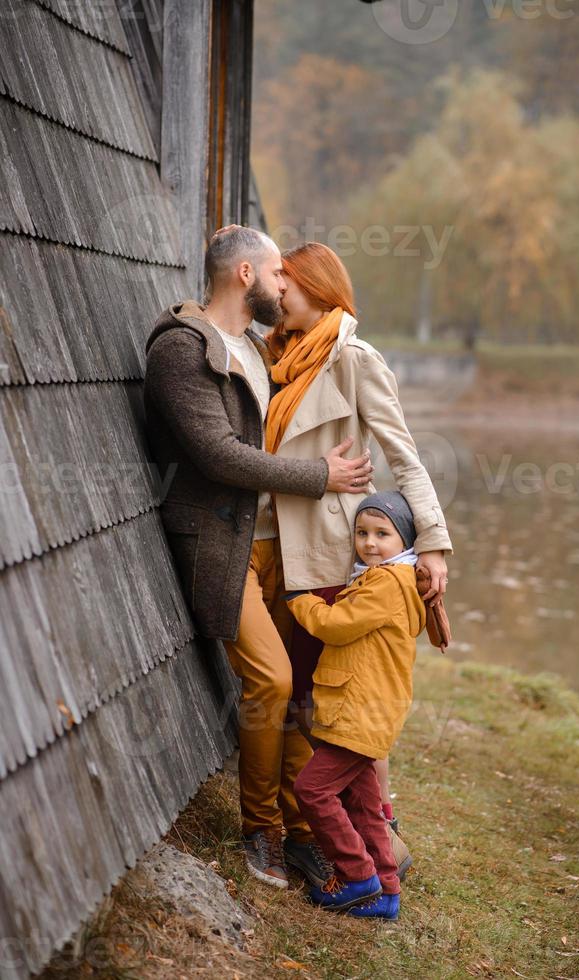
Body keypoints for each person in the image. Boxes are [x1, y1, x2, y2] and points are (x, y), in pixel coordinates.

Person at [143, 226, 374, 890]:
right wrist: (318, 477)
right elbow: (216, 455)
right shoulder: (183, 351)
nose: (285, 285)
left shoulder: (253, 349)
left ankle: (308, 832)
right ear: (245, 274)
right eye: (278, 275)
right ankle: (260, 829)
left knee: (304, 686)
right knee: (271, 681)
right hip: (219, 543)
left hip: (275, 545)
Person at [264, 242, 453, 856]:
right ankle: (327, 827)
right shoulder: (280, 354)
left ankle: (374, 835)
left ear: (316, 289)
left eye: (284, 283)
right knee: (298, 693)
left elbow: (404, 455)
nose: (276, 294)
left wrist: (433, 544)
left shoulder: (355, 359)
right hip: (277, 540)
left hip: (328, 548)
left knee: (333, 699)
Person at [285, 490, 427, 920]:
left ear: (404, 541)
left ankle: (356, 875)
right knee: (363, 803)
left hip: (360, 712)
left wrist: (301, 599)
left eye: (382, 534)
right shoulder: (384, 578)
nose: (369, 543)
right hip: (367, 711)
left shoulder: (386, 582)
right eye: (362, 532)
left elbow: (337, 625)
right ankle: (386, 891)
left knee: (312, 789)